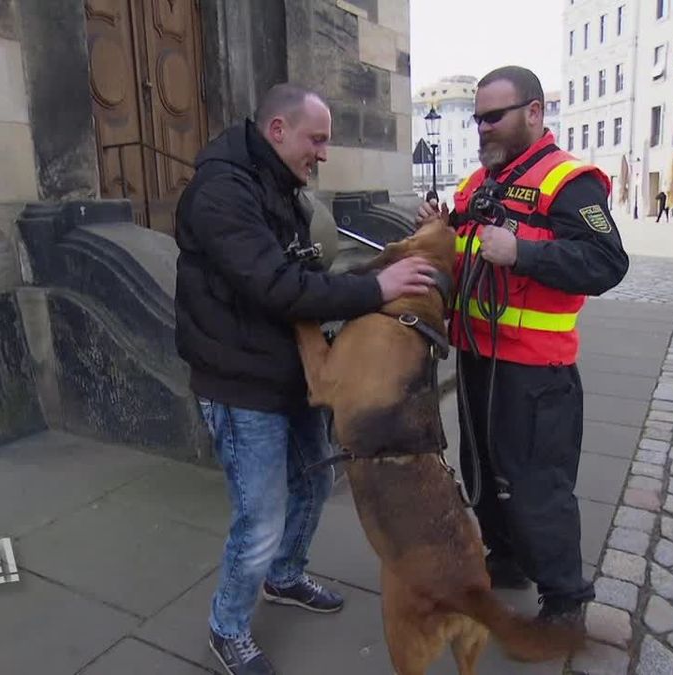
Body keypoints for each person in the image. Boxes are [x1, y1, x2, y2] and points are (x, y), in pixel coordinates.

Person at [174, 83, 438, 675]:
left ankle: (285, 577)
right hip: (240, 382)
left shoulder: (279, 184)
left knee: (315, 486)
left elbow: (308, 268)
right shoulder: (221, 191)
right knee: (260, 515)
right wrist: (377, 289)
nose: (322, 153)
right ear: (277, 131)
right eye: (316, 139)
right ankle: (228, 626)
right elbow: (275, 286)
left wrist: (373, 274)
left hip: (291, 373)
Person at [416, 66, 629, 627]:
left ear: (534, 113)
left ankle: (564, 600)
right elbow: (462, 240)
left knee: (538, 485)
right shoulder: (477, 183)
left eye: (494, 116)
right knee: (482, 469)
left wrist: (524, 253)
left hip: (535, 370)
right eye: (478, 117)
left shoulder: (569, 181)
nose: (482, 126)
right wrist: (440, 228)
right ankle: (506, 557)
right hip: (477, 359)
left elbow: (608, 263)